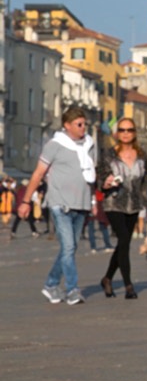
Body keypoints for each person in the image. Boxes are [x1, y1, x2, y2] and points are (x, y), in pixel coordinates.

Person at [19, 106, 96, 305]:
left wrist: (94, 200)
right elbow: (38, 173)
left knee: (69, 249)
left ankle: (51, 284)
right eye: (79, 124)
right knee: (69, 247)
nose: (83, 128)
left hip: (82, 202)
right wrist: (26, 201)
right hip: (59, 203)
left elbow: (90, 175)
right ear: (67, 125)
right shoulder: (55, 145)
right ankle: (72, 290)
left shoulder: (89, 145)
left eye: (84, 124)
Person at [96, 117, 147, 299]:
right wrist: (106, 183)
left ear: (134, 133)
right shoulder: (108, 154)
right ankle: (129, 285)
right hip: (114, 203)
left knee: (124, 243)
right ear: (117, 133)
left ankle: (107, 278)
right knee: (123, 240)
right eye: (122, 130)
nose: (126, 133)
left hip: (134, 204)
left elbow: (145, 183)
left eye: (129, 130)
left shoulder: (142, 155)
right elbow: (99, 180)